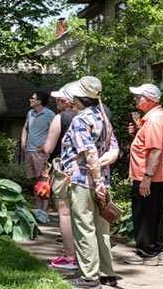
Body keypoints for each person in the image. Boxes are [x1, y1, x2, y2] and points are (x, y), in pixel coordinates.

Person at [61, 76, 119, 289]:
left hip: (83, 181)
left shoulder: (80, 119)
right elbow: (114, 150)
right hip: (101, 180)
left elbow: (90, 153)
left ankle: (89, 278)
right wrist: (101, 175)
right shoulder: (103, 116)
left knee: (84, 227)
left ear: (80, 97)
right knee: (102, 228)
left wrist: (96, 178)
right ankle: (107, 274)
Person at [124, 83, 163, 266]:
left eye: (139, 96)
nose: (136, 99)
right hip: (157, 176)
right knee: (155, 214)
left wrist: (147, 178)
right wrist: (136, 134)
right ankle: (159, 251)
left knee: (144, 215)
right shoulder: (157, 117)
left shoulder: (153, 120)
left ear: (150, 100)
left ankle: (145, 253)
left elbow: (155, 151)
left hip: (147, 176)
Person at [42, 82, 79, 270]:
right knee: (85, 214)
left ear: (67, 101)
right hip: (88, 170)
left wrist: (43, 149)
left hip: (63, 169)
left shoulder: (61, 118)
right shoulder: (97, 115)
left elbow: (49, 147)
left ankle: (70, 256)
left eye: (60, 99)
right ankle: (89, 257)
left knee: (65, 213)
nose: (57, 101)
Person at [21, 89, 56, 223]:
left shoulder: (50, 115)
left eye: (33, 98)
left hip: (41, 154)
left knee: (44, 182)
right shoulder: (30, 114)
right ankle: (38, 209)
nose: (30, 100)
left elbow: (55, 132)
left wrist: (47, 145)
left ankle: (44, 212)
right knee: (35, 182)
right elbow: (25, 128)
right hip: (29, 151)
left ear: (40, 101)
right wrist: (23, 140)